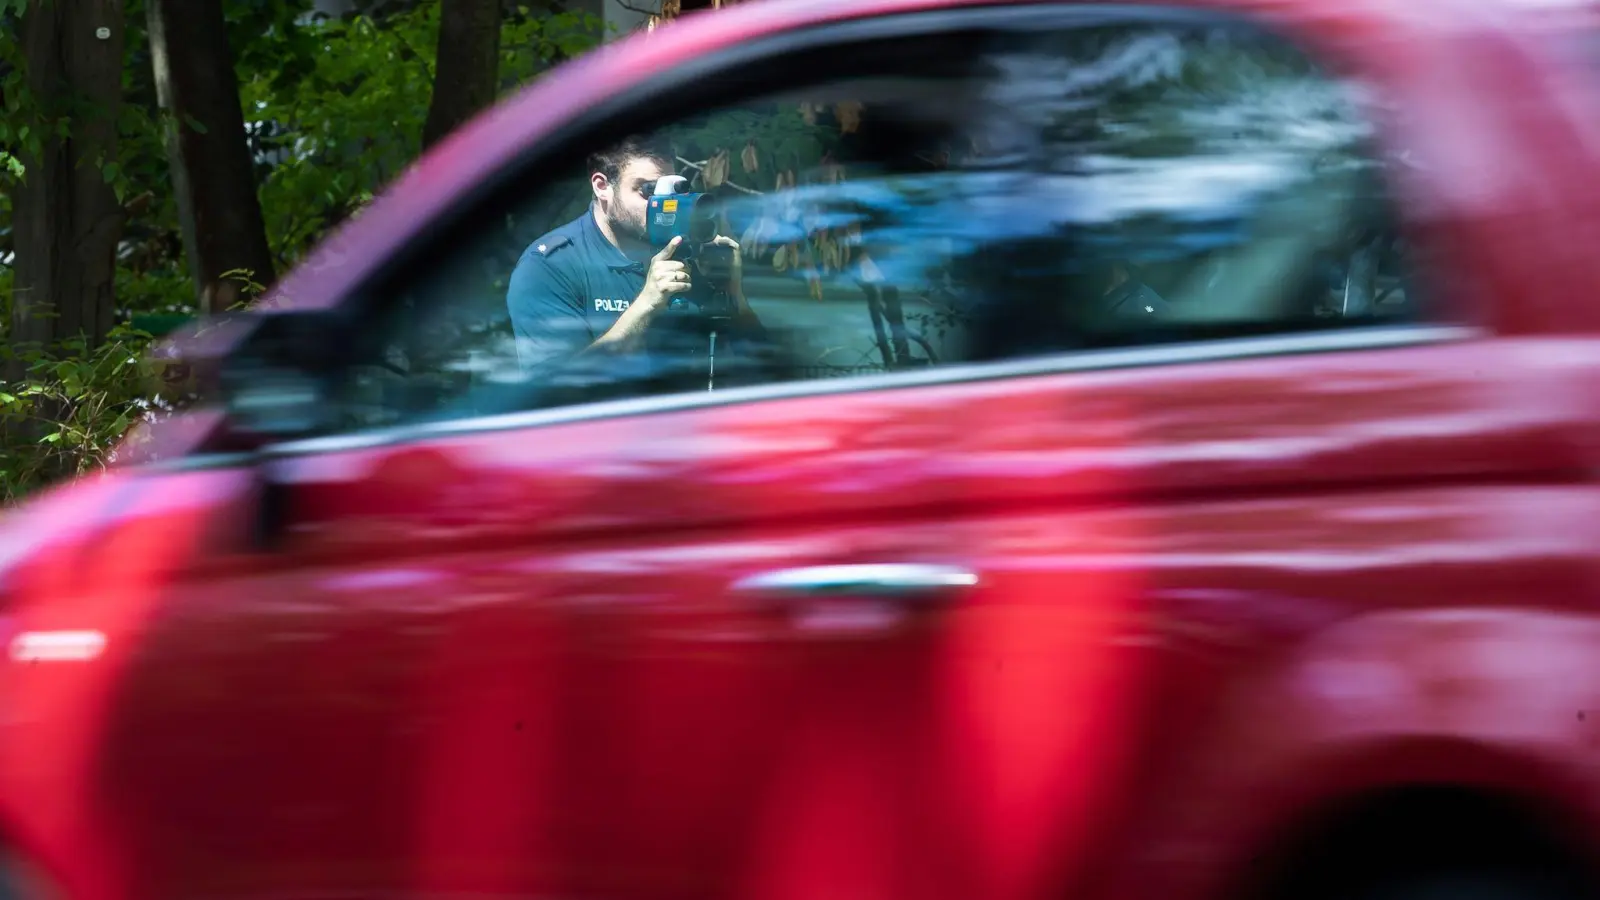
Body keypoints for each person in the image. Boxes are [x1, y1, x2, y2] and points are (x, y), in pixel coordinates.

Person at [506, 138, 767, 390]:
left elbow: (766, 369)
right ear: (602, 186)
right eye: (648, 191)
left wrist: (736, 298)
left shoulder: (690, 252)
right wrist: (646, 306)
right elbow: (550, 392)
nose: (663, 204)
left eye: (673, 191)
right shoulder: (551, 266)